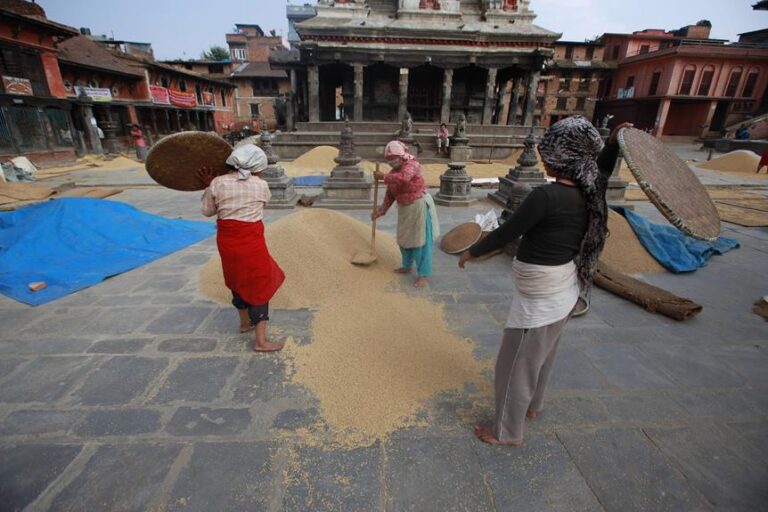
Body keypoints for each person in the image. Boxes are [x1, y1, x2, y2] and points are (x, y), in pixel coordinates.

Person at [458, 116, 626, 446]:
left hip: (541, 296)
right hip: (564, 289)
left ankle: (506, 432)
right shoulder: (593, 188)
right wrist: (616, 142)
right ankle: (533, 406)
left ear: (560, 159)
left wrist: (472, 252)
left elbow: (508, 231)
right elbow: (602, 167)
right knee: (543, 354)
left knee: (515, 365)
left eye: (547, 155)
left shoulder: (544, 196)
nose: (544, 161)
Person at [197, 145, 285, 352]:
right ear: (257, 167)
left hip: (227, 242)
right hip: (251, 241)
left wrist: (209, 186)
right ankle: (261, 341)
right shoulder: (261, 185)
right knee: (259, 283)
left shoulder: (217, 182)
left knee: (236, 278)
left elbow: (207, 211)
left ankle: (245, 323)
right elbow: (263, 205)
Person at [373, 140, 440, 288]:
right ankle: (407, 265)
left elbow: (404, 178)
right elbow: (390, 193)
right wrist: (381, 211)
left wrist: (383, 177)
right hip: (405, 209)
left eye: (393, 159)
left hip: (419, 207)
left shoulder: (412, 165)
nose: (391, 163)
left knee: (420, 242)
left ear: (402, 156)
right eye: (388, 160)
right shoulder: (393, 172)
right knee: (404, 240)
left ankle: (423, 274)